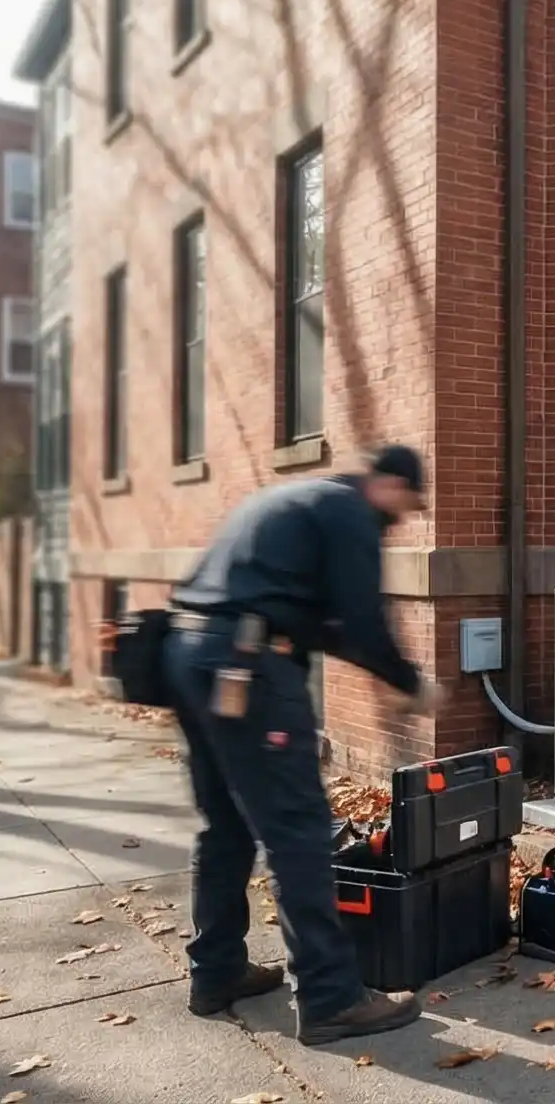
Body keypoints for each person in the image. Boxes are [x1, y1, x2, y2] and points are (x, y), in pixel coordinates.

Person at [165, 444, 436, 1046]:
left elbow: (324, 625)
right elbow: (362, 620)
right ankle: (331, 998)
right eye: (406, 503)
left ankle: (216, 973)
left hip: (188, 652)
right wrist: (410, 682)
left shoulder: (297, 498)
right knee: (299, 830)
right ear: (389, 484)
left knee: (227, 825)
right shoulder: (349, 513)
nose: (401, 518)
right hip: (247, 665)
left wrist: (384, 671)